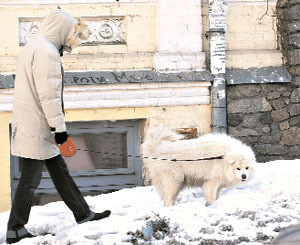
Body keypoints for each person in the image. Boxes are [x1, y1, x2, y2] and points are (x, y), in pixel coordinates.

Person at [6, 9, 111, 244]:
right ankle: (15, 228)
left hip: (33, 125)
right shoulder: (47, 53)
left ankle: (83, 214)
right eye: (71, 33)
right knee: (29, 179)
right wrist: (59, 130)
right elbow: (49, 97)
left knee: (60, 172)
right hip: (39, 128)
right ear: (62, 29)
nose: (71, 39)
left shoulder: (33, 46)